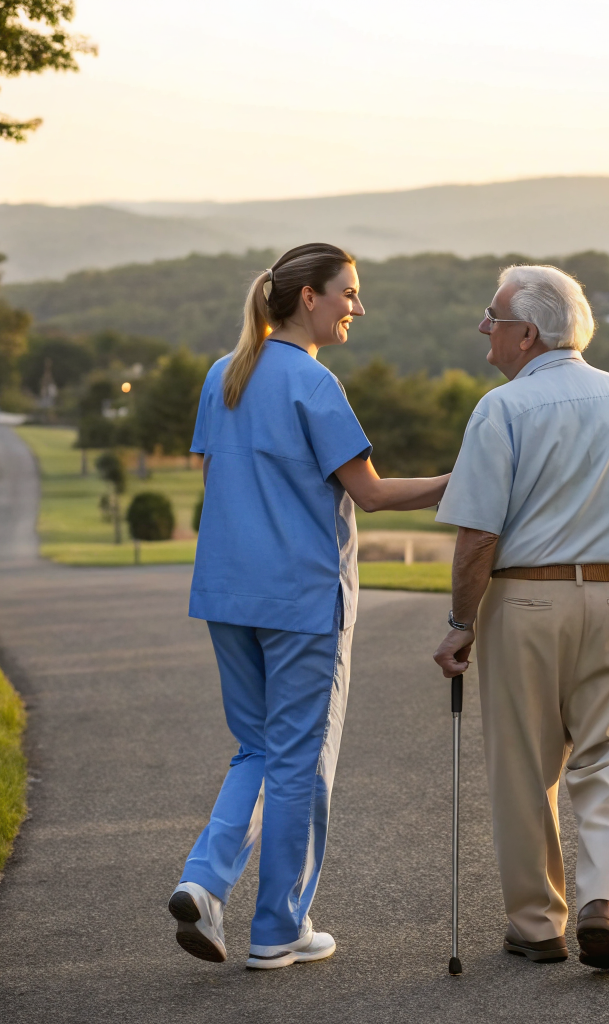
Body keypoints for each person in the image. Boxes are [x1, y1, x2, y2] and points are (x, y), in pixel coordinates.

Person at [171, 243, 449, 969]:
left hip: (228, 592)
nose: (357, 307)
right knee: (298, 761)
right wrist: (467, 475)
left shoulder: (221, 376)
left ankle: (203, 881)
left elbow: (213, 475)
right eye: (348, 294)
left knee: (258, 748)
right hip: (299, 598)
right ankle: (277, 928)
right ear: (308, 299)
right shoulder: (314, 385)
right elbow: (373, 493)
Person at [432, 264, 609, 969]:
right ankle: (602, 897)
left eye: (493, 317)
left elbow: (477, 533)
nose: (485, 328)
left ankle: (537, 926)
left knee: (523, 764)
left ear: (526, 334)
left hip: (528, 599)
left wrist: (460, 622)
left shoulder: (501, 408)